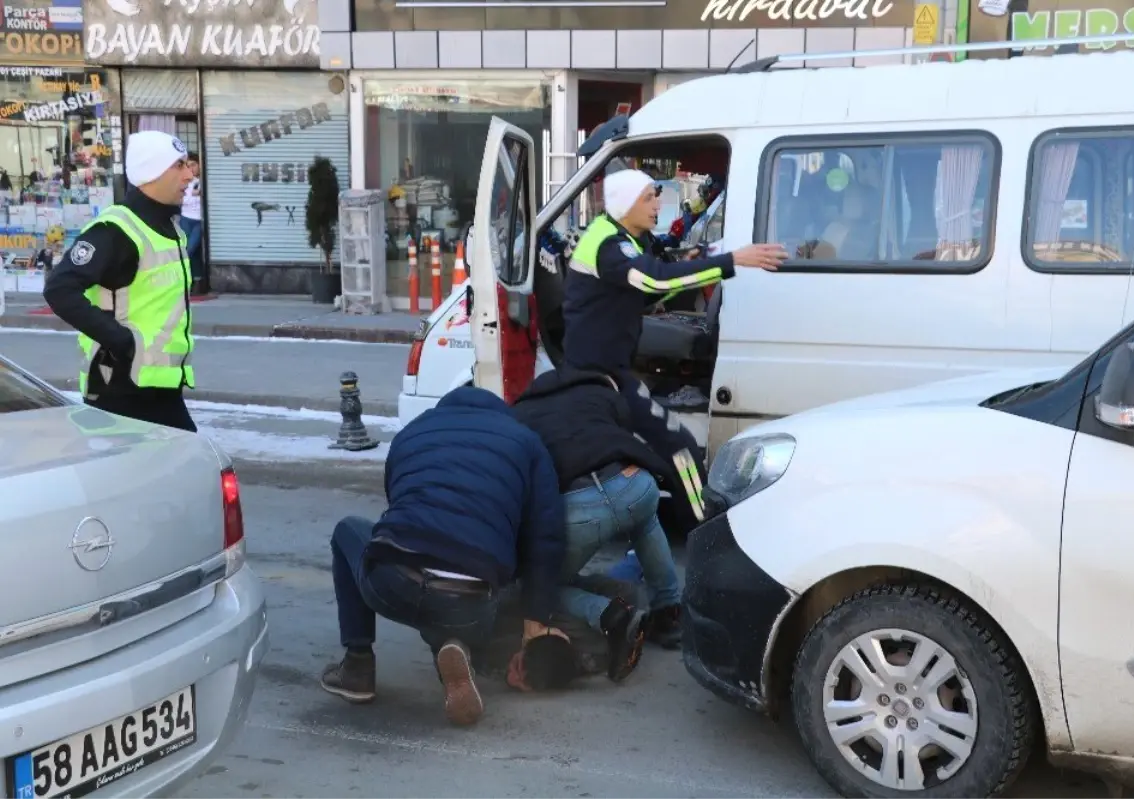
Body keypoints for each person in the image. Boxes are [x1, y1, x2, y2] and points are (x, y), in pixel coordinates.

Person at [320, 386, 569, 726]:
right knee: (453, 590)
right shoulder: (526, 442)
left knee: (348, 531)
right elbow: (545, 536)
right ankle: (456, 650)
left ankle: (358, 665)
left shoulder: (414, 430)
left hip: (395, 579)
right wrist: (536, 617)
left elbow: (396, 498)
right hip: (473, 598)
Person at [561, 168, 787, 530]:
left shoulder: (629, 237)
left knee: (669, 445)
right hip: (592, 377)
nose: (658, 203)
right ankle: (702, 526)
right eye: (649, 196)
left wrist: (713, 257)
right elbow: (653, 279)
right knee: (669, 444)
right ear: (625, 205)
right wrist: (732, 261)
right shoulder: (608, 245)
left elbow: (655, 284)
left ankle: (696, 520)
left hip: (610, 371)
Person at [512, 366, 685, 678]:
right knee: (644, 521)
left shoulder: (521, 413)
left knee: (541, 587)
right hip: (634, 485)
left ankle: (612, 616)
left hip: (577, 508)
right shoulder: (604, 394)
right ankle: (669, 612)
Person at [43, 130, 196, 433]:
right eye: (179, 165)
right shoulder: (117, 229)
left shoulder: (168, 228)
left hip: (159, 386)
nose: (189, 175)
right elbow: (60, 289)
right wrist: (122, 342)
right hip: (121, 387)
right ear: (152, 172)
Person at [180, 152, 205, 294]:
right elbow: (181, 200)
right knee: (192, 252)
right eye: (188, 166)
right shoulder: (185, 182)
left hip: (198, 220)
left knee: (188, 250)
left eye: (194, 165)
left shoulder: (204, 181)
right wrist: (191, 195)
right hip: (185, 218)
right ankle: (197, 281)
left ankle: (187, 281)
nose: (191, 169)